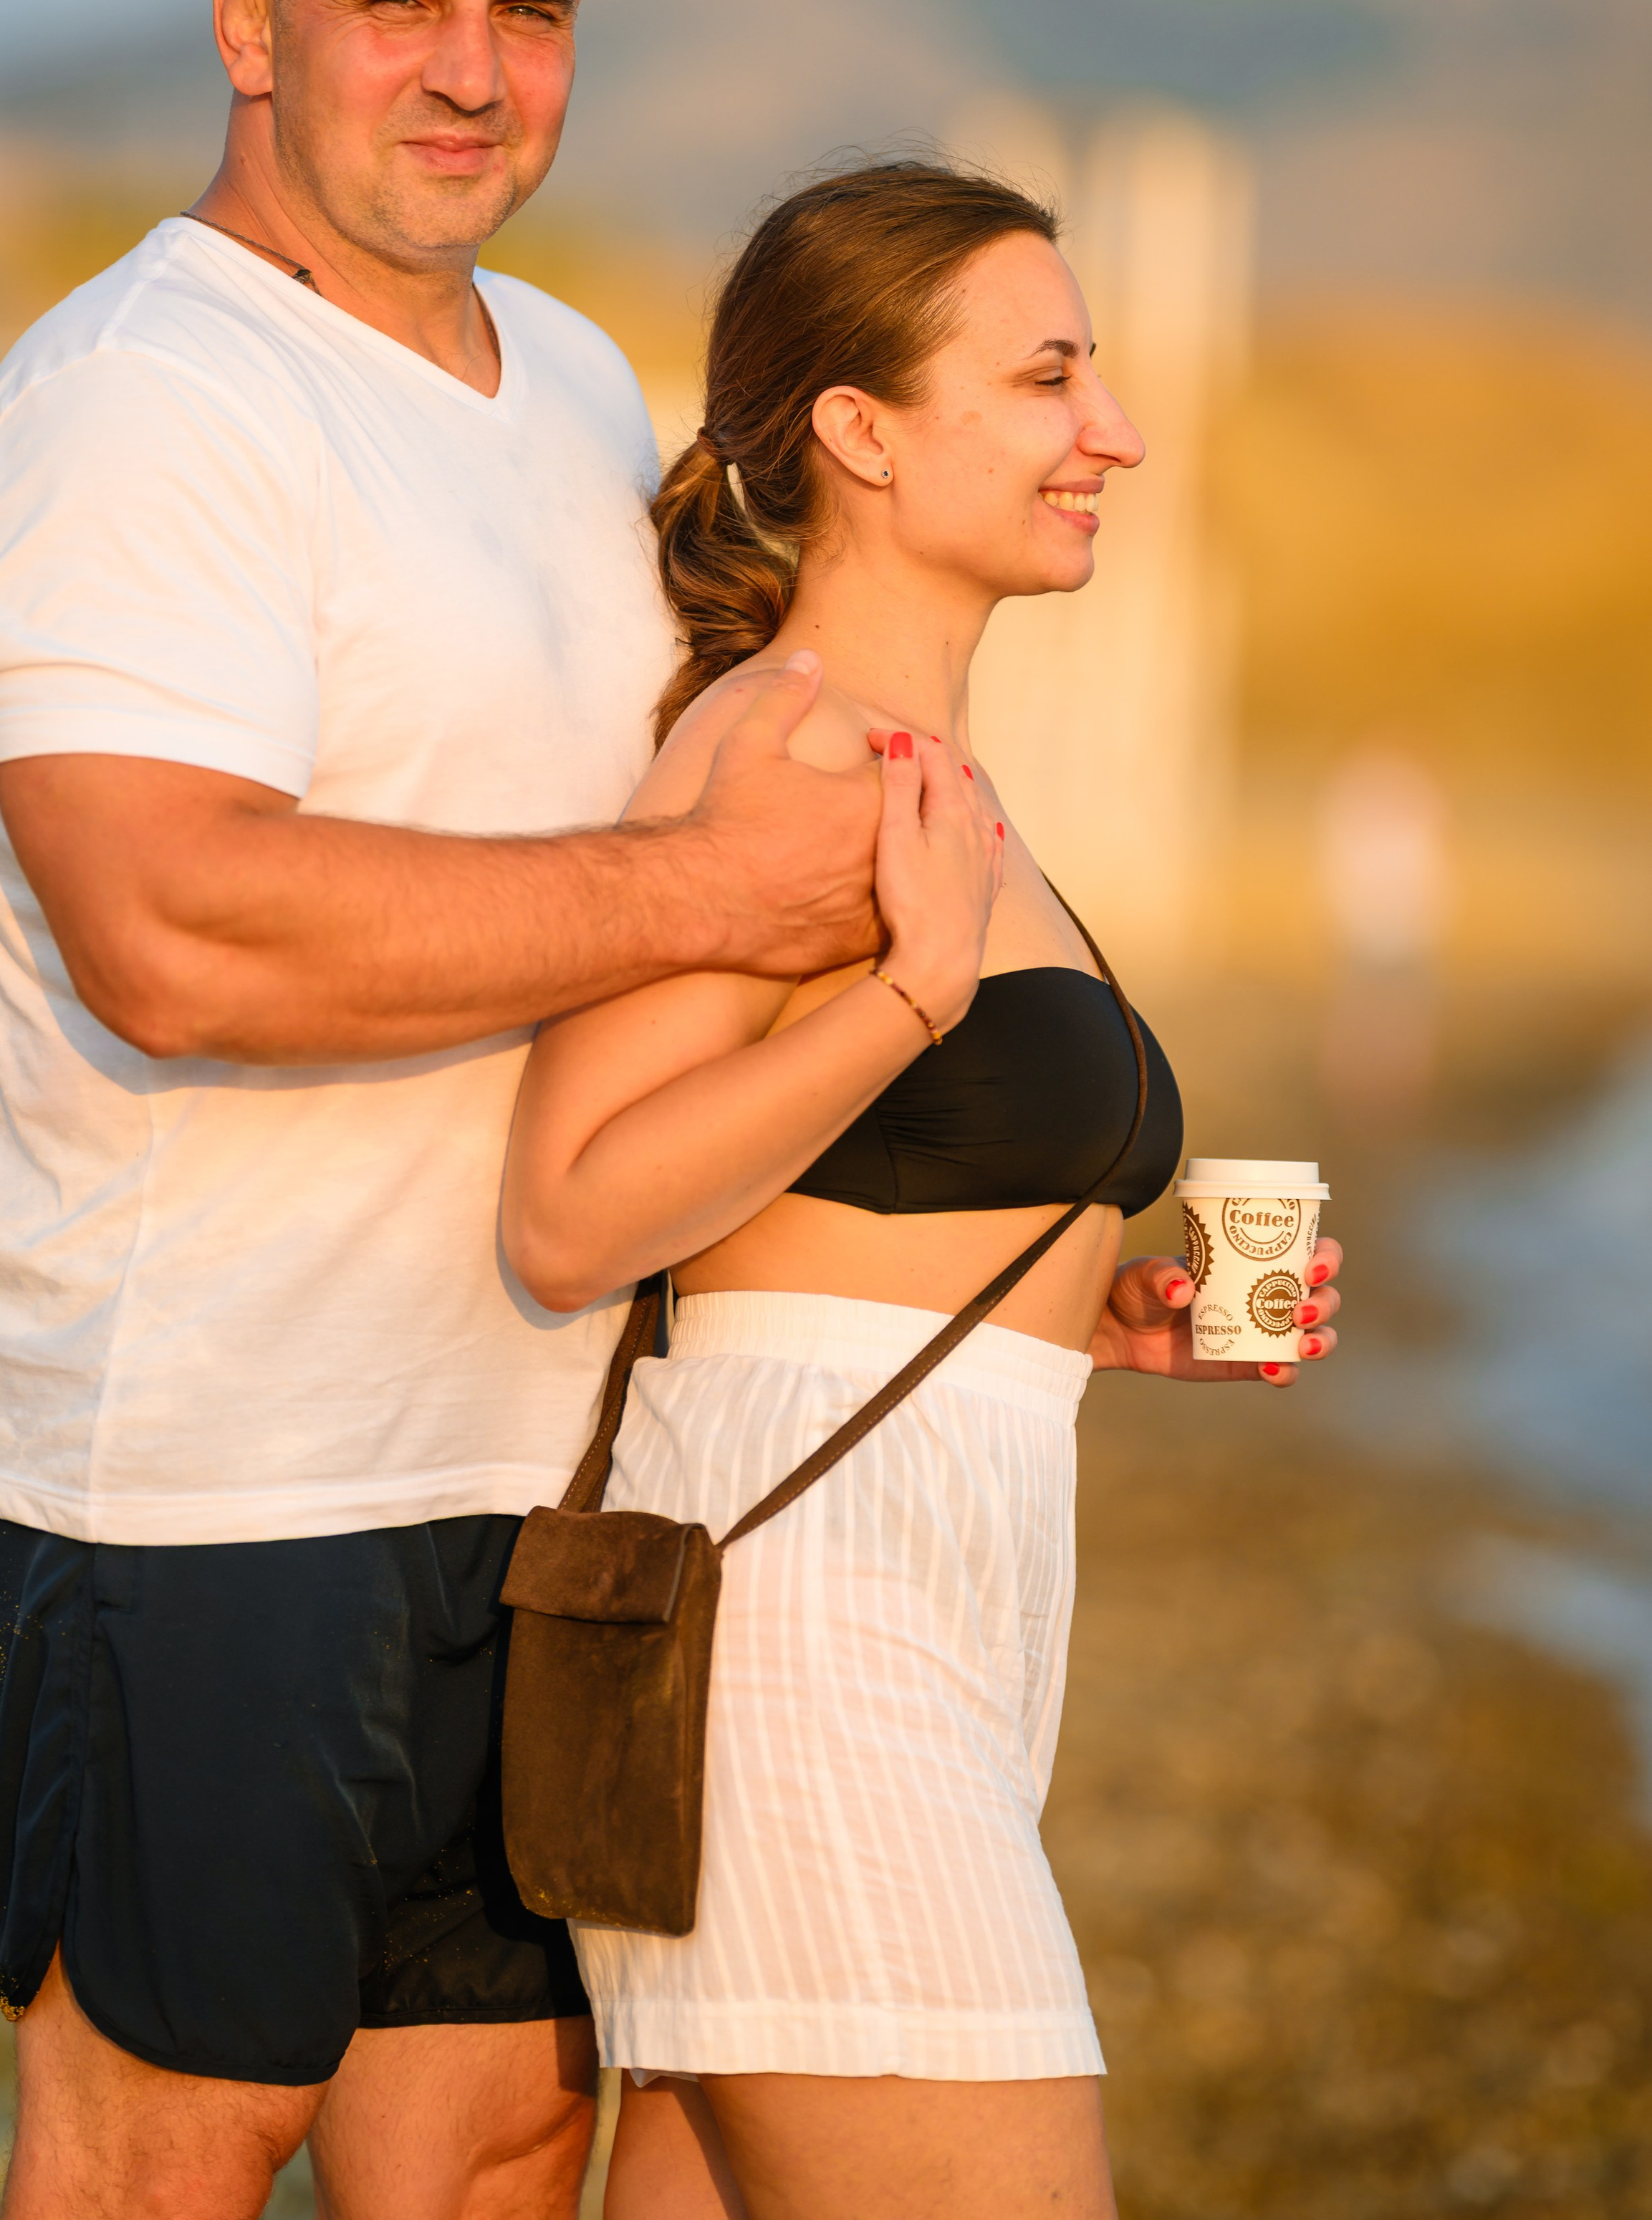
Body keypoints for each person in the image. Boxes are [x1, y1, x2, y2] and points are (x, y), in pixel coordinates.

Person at [0, 0, 889, 2220]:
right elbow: (180, 929)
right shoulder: (150, 404)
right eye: (398, 1)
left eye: (532, 10)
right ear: (253, 18)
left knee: (483, 2154)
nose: (472, 69)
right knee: (172, 2146)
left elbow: (723, 851)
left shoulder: (569, 380)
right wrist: (704, 906)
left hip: (538, 1468)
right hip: (209, 1481)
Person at [501, 161, 1345, 2220]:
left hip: (936, 1585)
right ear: (861, 432)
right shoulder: (783, 749)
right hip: (814, 1624)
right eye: (1050, 378)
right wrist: (907, 995)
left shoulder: (927, 767)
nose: (1115, 432)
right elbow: (574, 1209)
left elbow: (853, 1213)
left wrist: (1103, 1310)